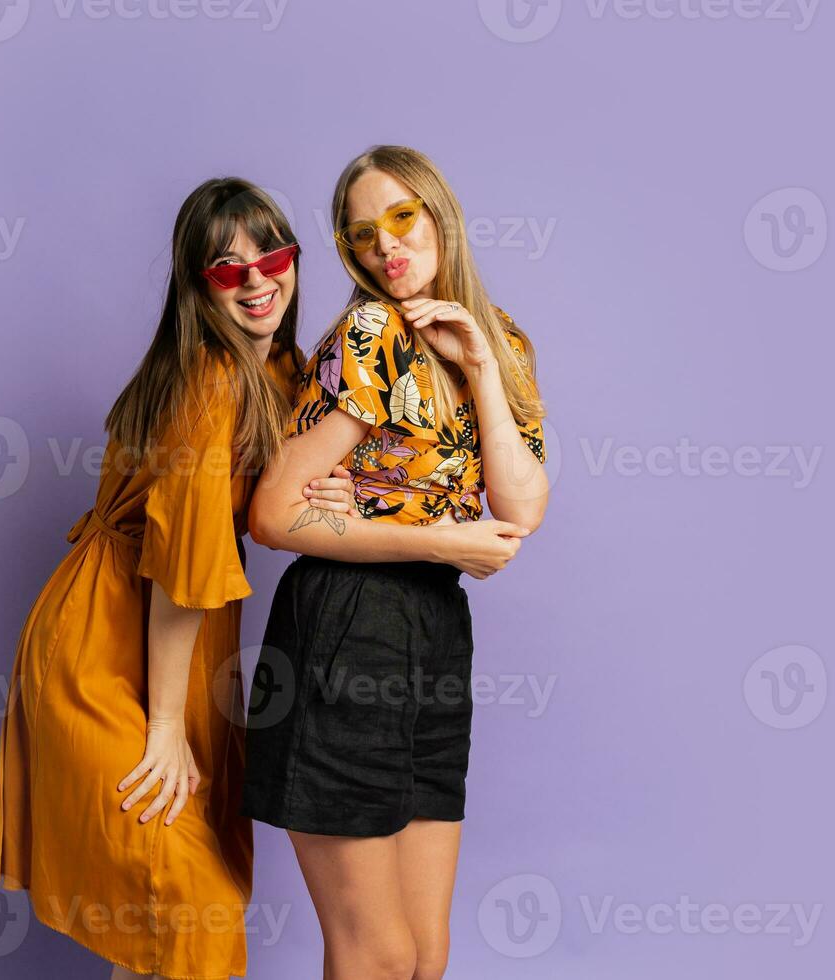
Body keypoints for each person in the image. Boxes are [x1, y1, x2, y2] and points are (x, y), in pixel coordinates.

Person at [0, 178, 355, 980]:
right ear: (197, 285)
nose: (257, 281)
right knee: (189, 906)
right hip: (106, 645)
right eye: (227, 268)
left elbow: (276, 508)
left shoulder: (282, 367)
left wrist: (332, 491)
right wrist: (162, 727)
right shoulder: (210, 383)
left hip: (175, 643)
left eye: (272, 256)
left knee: (153, 924)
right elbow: (183, 574)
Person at [243, 145, 551, 980]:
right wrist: (439, 540)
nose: (386, 247)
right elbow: (273, 511)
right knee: (375, 953)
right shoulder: (371, 332)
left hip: (435, 626)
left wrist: (482, 367)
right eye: (362, 235)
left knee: (425, 957)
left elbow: (520, 507)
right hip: (349, 618)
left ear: (439, 214)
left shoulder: (504, 340)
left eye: (401, 219)